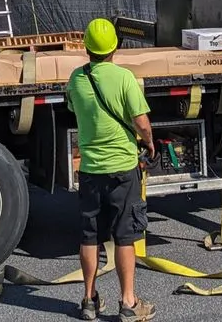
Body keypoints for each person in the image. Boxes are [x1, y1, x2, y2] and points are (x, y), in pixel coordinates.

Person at [66, 19, 156, 322]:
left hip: (91, 170)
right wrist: (150, 143)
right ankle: (128, 303)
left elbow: (72, 108)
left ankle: (88, 300)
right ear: (115, 46)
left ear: (86, 47)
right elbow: (141, 122)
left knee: (89, 236)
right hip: (122, 169)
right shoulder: (124, 78)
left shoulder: (76, 79)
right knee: (124, 236)